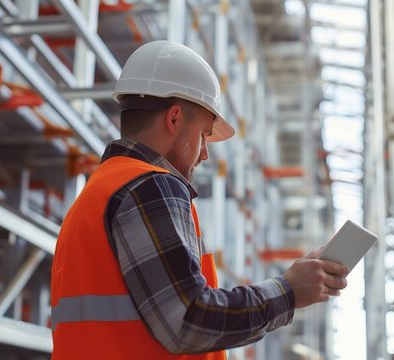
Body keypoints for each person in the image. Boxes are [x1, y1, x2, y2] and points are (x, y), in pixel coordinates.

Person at [50, 40, 349, 359]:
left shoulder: (99, 191)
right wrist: (288, 292)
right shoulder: (149, 185)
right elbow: (187, 319)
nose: (205, 154)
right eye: (204, 135)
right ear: (175, 119)